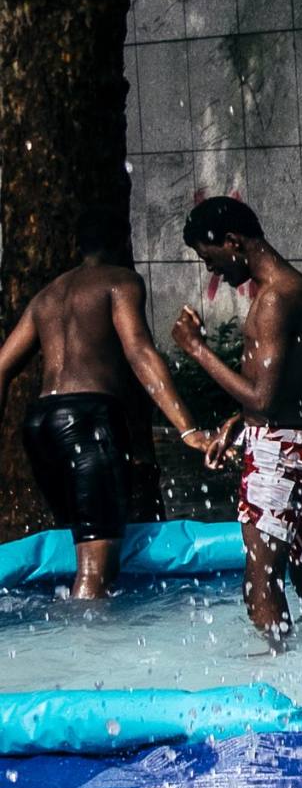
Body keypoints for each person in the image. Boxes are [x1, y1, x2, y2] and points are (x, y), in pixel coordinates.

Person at [0, 210, 218, 596]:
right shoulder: (120, 282)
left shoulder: (47, 296)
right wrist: (188, 429)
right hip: (87, 421)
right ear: (122, 241)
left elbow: (1, 368)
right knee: (95, 568)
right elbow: (139, 353)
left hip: (40, 426)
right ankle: (93, 651)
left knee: (81, 539)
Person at [171, 197, 302, 647]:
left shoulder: (272, 300)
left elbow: (263, 398)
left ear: (233, 242)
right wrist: (239, 419)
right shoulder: (299, 289)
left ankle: (278, 676)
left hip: (277, 449)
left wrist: (195, 349)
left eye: (211, 260)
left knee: (260, 584)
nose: (215, 273)